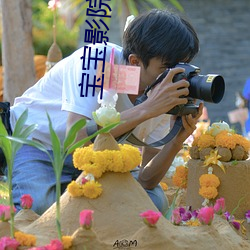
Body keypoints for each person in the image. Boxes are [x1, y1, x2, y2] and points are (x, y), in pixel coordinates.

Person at [6, 9, 203, 215]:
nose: (176, 75)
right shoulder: (97, 59)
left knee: (152, 202)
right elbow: (76, 139)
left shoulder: (165, 90)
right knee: (39, 207)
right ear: (135, 62)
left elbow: (147, 180)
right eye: (167, 67)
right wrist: (147, 108)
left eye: (182, 65)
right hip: (37, 144)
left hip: (96, 157)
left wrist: (176, 140)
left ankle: (70, 199)